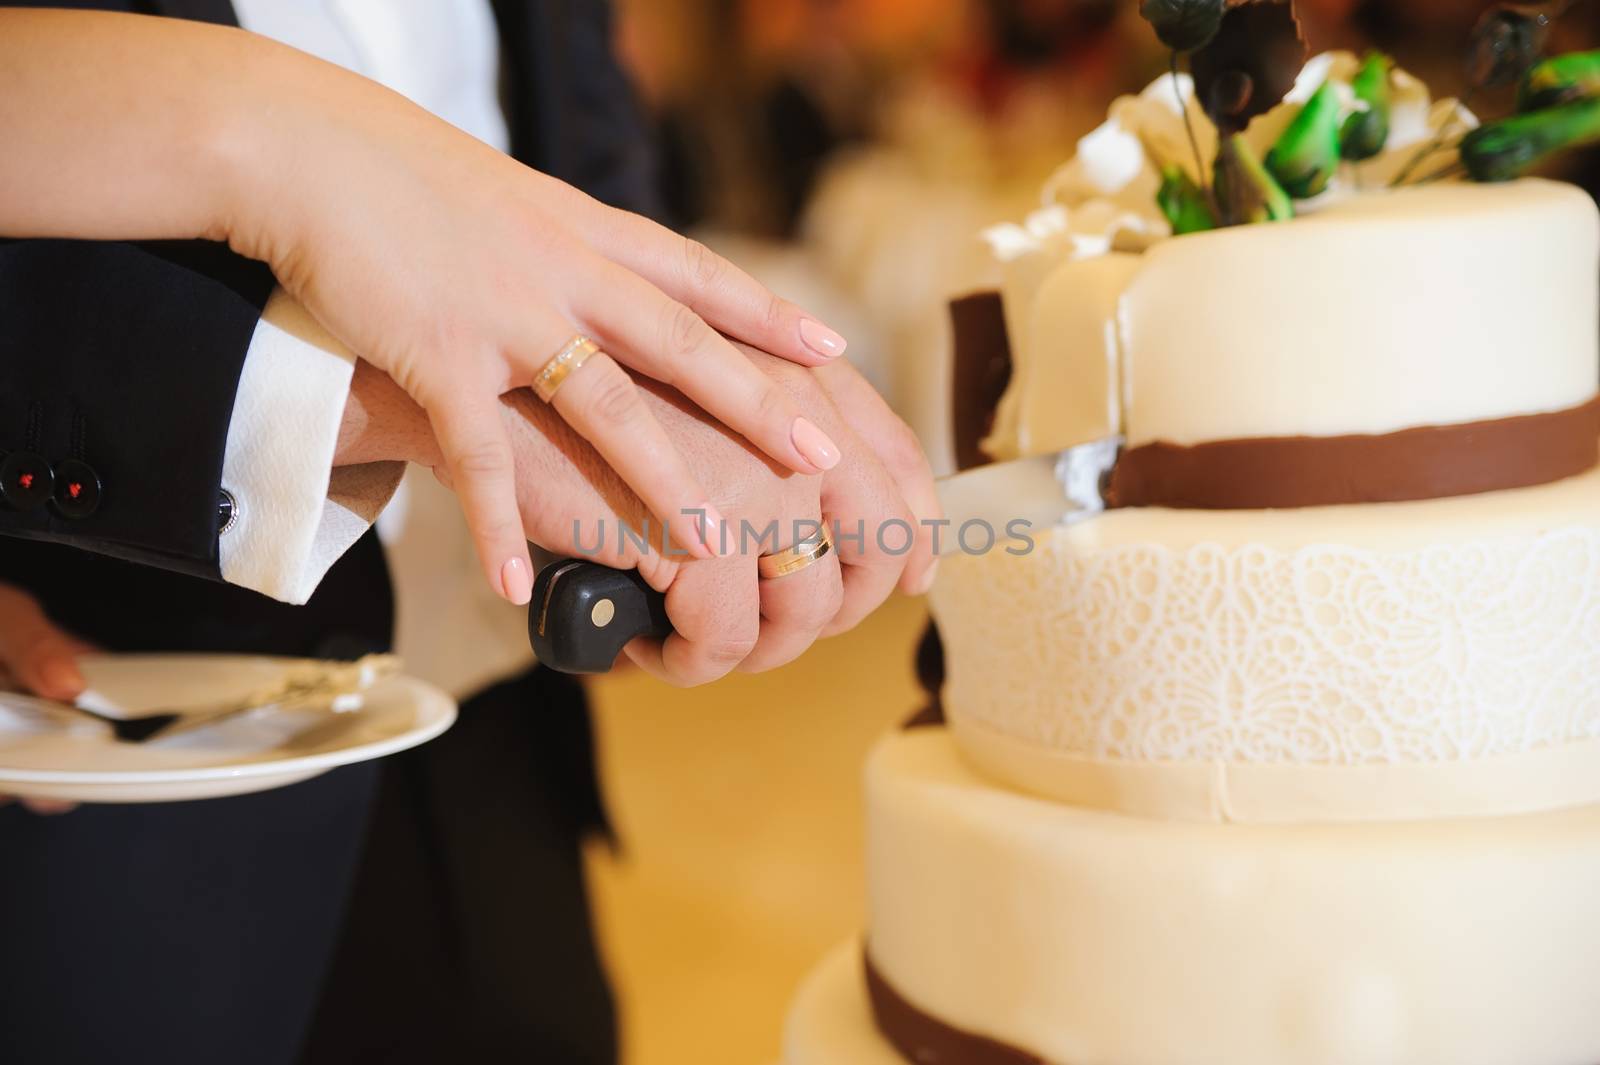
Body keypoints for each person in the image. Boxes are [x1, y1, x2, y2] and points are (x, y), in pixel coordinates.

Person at [0, 3, 939, 1063]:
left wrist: (655, 440)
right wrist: (449, 407)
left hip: (498, 730)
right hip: (113, 740)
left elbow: (576, 125)